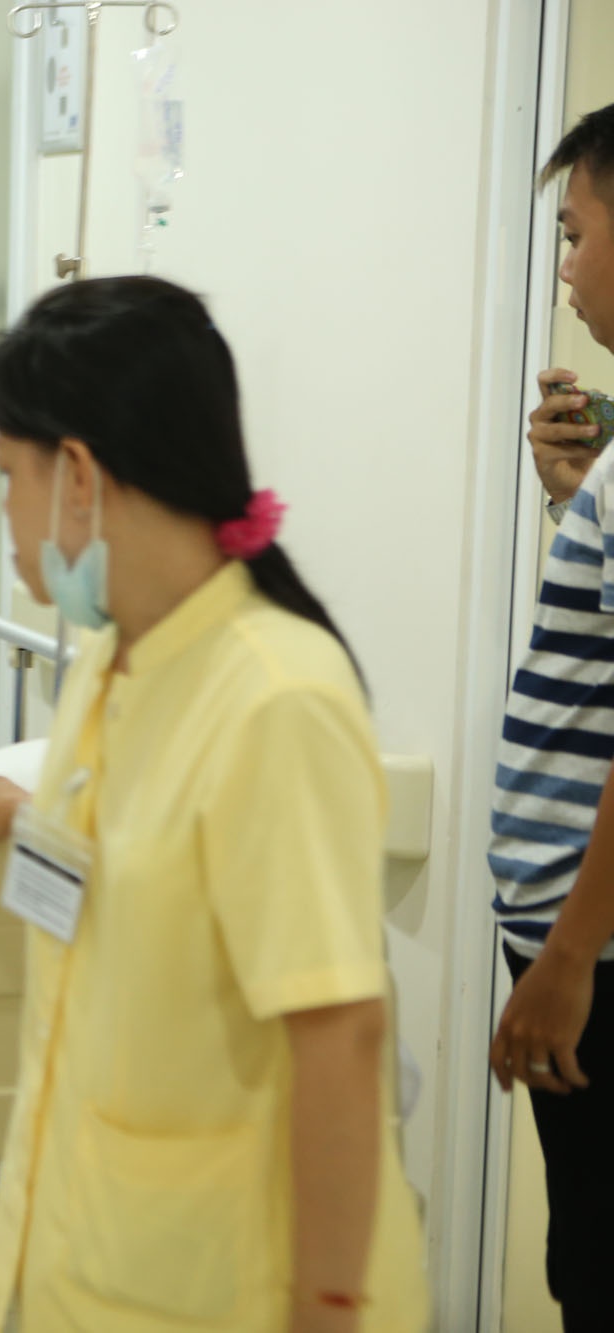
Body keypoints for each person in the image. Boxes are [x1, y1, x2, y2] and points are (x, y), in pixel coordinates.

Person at [0, 277, 425, 1332]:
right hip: (88, 1255)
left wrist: (325, 1310)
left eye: (7, 475)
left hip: (225, 1288)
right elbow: (148, 862)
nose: (4, 514)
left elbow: (337, 1034)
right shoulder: (114, 662)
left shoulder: (274, 698)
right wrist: (23, 816)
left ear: (77, 476)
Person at [490, 102, 614, 1331]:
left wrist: (567, 955)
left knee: (595, 1267)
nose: (564, 267)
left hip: (596, 948)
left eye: (575, 233)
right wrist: (575, 496)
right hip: (584, 932)